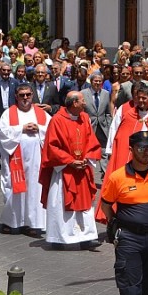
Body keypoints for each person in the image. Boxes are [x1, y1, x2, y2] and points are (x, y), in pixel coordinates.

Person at [101, 131, 148, 295]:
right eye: (141, 148)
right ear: (131, 149)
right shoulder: (117, 177)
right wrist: (116, 223)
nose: (146, 152)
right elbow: (106, 205)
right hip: (129, 239)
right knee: (130, 289)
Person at [98, 82, 148, 223]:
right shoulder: (125, 111)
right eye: (138, 98)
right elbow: (115, 130)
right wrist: (110, 150)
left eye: (144, 98)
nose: (141, 101)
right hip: (130, 158)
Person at [38, 91, 102, 248]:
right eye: (82, 101)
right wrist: (69, 161)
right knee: (60, 204)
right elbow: (51, 147)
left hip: (82, 169)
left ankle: (86, 238)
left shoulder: (84, 118)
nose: (85, 103)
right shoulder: (57, 121)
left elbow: (92, 141)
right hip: (64, 171)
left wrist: (87, 158)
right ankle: (59, 238)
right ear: (74, 103)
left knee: (85, 204)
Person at [0, 84, 51, 236]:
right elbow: (2, 132)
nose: (25, 98)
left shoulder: (41, 113)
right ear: (16, 96)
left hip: (36, 159)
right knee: (14, 188)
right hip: (15, 158)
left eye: (28, 94)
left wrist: (39, 129)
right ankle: (12, 221)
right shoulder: (9, 114)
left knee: (34, 189)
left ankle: (33, 224)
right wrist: (21, 128)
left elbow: (52, 130)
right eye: (22, 95)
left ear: (32, 95)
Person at [81, 73, 113, 185]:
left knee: (104, 151)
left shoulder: (105, 93)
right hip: (89, 127)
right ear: (91, 81)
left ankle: (106, 175)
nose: (97, 83)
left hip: (103, 127)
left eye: (100, 81)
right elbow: (81, 111)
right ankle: (88, 177)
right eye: (96, 81)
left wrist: (109, 125)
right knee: (89, 152)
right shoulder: (83, 93)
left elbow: (108, 112)